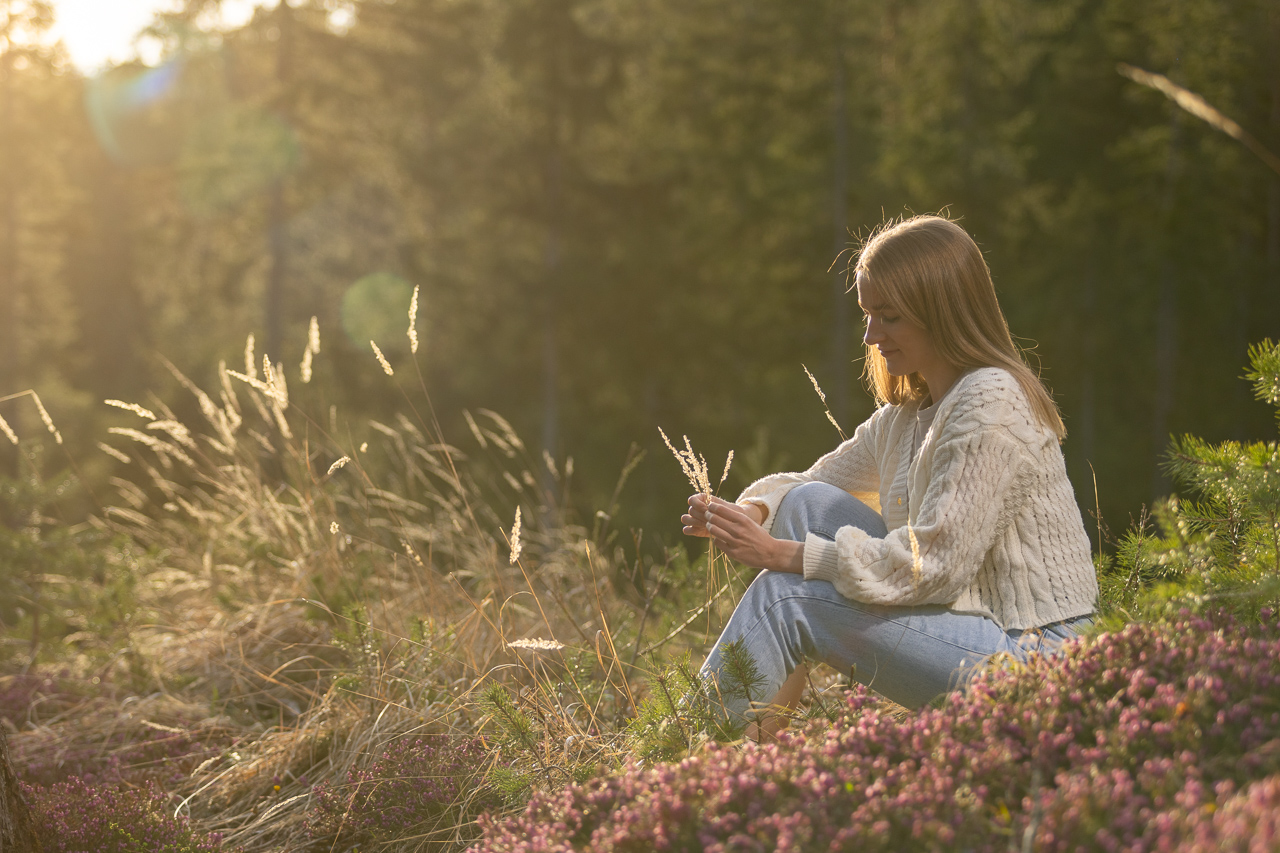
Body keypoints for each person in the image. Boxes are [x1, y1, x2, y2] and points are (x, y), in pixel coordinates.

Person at [682, 214, 1098, 738]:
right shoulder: (908, 416)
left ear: (942, 313)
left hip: (1039, 657)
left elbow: (938, 567)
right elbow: (806, 485)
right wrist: (749, 513)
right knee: (807, 505)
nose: (872, 334)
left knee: (788, 594)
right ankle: (758, 761)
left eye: (890, 316)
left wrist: (784, 557)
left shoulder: (990, 401)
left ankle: (674, 763)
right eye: (866, 314)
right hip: (975, 626)